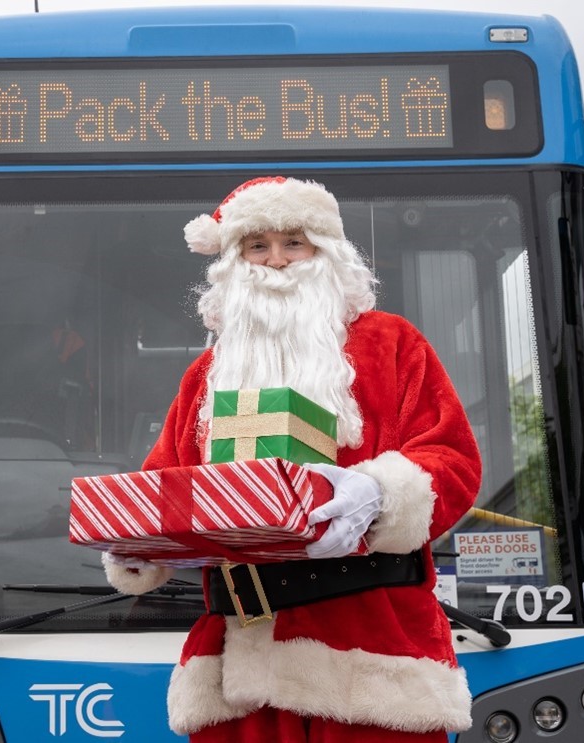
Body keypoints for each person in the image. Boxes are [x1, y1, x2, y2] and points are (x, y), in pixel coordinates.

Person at [101, 177, 481, 742]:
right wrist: (136, 541)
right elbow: (165, 485)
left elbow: (452, 458)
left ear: (324, 252)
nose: (276, 261)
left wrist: (377, 494)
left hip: (371, 660)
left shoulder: (392, 343)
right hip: (237, 668)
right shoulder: (206, 375)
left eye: (293, 243)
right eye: (258, 246)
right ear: (235, 263)